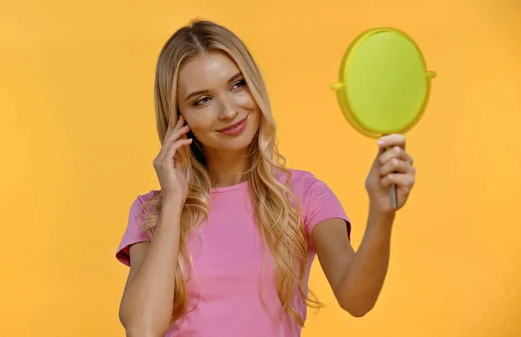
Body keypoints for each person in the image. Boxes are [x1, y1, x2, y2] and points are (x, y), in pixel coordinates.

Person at [115, 19, 416, 337]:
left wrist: (382, 213)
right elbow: (142, 328)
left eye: (237, 84)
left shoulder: (305, 195)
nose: (229, 111)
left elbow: (356, 299)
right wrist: (175, 200)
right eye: (202, 100)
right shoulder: (153, 212)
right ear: (179, 118)